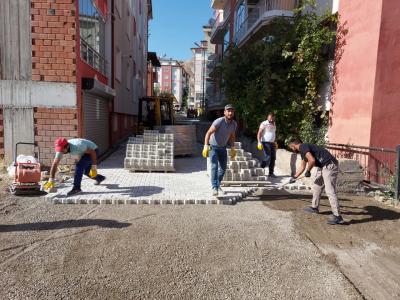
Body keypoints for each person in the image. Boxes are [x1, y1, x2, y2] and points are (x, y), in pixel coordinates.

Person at [287, 137, 343, 225]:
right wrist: (294, 177)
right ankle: (314, 207)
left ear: (293, 145)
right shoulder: (303, 151)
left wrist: (308, 171)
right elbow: (302, 166)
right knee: (317, 186)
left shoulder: (302, 147)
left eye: (291, 147)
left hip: (329, 165)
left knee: (330, 191)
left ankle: (337, 216)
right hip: (323, 166)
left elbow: (312, 160)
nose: (292, 149)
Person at [203, 104, 237, 196]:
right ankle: (214, 187)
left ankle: (217, 185)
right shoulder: (219, 121)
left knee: (223, 168)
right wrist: (206, 146)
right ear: (224, 112)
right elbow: (208, 133)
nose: (230, 113)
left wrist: (233, 147)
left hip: (223, 148)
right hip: (213, 147)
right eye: (228, 111)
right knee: (214, 166)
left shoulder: (234, 124)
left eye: (232, 111)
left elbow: (232, 136)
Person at [257, 113, 277, 177]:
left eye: (272, 118)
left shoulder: (274, 124)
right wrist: (259, 142)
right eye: (270, 118)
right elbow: (259, 133)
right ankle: (260, 169)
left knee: (273, 158)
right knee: (268, 157)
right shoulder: (264, 123)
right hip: (266, 143)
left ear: (274, 118)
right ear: (267, 117)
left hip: (272, 143)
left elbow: (273, 133)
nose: (271, 119)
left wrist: (275, 141)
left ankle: (271, 173)